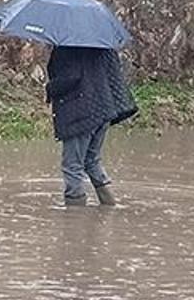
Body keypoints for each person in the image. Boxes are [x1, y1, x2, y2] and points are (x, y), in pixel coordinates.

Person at [45, 46, 137, 206]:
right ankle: (110, 205)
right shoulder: (103, 44)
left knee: (72, 166)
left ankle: (74, 216)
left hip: (79, 114)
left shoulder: (67, 47)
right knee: (91, 160)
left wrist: (49, 88)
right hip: (104, 110)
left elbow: (70, 77)